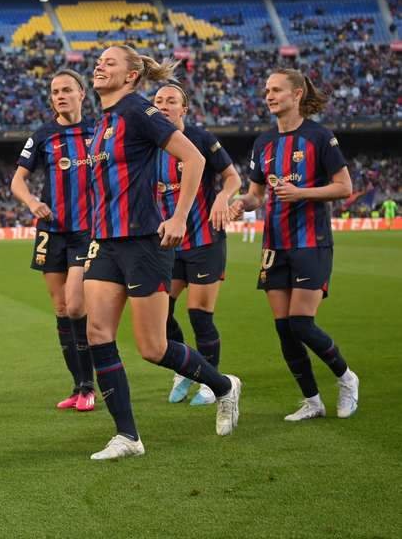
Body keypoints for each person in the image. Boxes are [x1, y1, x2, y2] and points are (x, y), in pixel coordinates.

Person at [82, 45, 242, 461]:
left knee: (153, 348)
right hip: (105, 241)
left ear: (132, 76)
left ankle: (224, 386)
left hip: (143, 243)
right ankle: (128, 436)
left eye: (110, 62)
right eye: (98, 61)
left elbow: (192, 158)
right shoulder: (102, 121)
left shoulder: (139, 111)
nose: (100, 65)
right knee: (97, 333)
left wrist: (179, 217)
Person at [229, 68, 358, 421]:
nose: (268, 95)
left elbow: (344, 187)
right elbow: (257, 194)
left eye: (276, 90)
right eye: (266, 90)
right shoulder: (264, 142)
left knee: (301, 323)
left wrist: (302, 193)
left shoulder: (319, 137)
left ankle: (346, 378)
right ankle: (312, 401)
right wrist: (239, 204)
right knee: (284, 328)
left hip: (311, 242)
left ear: (297, 94)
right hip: (274, 245)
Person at [10, 69, 96, 412]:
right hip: (51, 230)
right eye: (55, 92)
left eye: (66, 90)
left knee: (76, 305)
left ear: (81, 94)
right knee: (60, 308)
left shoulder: (98, 131)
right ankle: (77, 387)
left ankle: (89, 385)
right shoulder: (43, 135)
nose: (60, 95)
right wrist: (32, 202)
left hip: (86, 231)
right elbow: (18, 181)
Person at [153, 84, 242, 406]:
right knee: (160, 312)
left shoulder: (201, 139)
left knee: (200, 315)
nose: (163, 105)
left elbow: (233, 177)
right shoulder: (148, 145)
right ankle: (184, 367)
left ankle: (210, 381)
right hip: (168, 243)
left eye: (171, 101)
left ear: (184, 109)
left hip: (205, 239)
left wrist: (222, 197)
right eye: (158, 100)